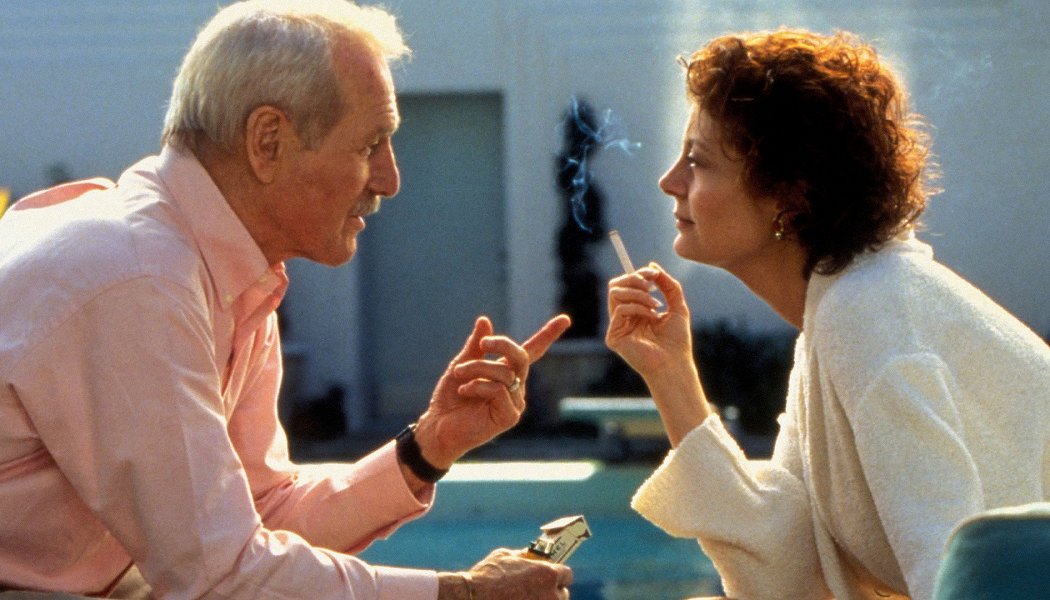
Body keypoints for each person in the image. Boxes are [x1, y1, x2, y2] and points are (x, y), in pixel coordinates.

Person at [0, 1, 574, 599]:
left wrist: (428, 446)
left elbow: (260, 523)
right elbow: (220, 577)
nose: (390, 179)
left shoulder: (214, 268)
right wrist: (462, 594)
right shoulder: (139, 278)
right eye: (370, 145)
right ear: (267, 140)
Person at [605, 28, 1050, 600]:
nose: (670, 182)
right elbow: (793, 560)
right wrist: (672, 376)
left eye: (698, 161)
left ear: (791, 196)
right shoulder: (844, 306)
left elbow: (952, 576)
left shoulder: (869, 313)